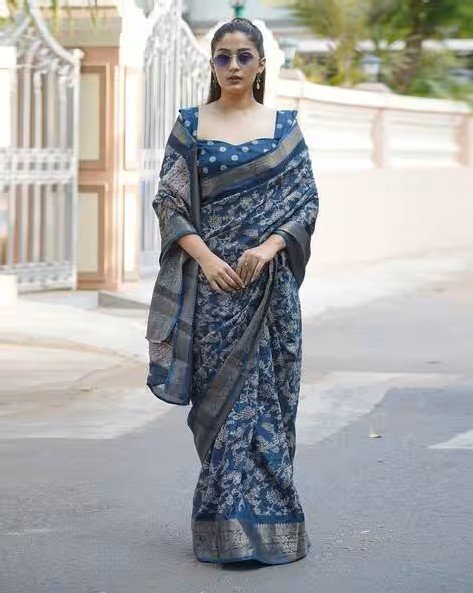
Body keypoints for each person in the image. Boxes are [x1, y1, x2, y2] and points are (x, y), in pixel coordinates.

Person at [145, 17, 319, 565]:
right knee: (223, 409)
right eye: (224, 56)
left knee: (267, 406)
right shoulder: (190, 126)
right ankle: (226, 529)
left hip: (269, 294)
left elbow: (305, 203)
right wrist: (208, 260)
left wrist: (268, 249)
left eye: (245, 56)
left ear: (261, 64)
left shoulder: (284, 128)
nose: (234, 66)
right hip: (212, 293)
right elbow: (169, 203)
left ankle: (270, 525)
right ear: (213, 64)